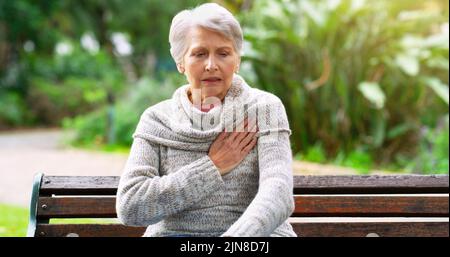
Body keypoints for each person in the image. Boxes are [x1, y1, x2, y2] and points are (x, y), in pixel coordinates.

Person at [116, 2, 297, 237]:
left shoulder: (264, 109)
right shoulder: (157, 120)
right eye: (199, 54)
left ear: (237, 59)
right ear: (181, 62)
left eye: (223, 53)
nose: (211, 65)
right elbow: (130, 207)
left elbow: (279, 194)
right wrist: (212, 167)